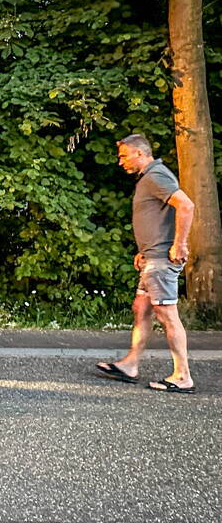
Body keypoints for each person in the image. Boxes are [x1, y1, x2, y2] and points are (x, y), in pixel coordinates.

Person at [96, 134, 196, 393]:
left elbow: (186, 205)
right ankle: (130, 364)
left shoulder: (156, 175)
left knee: (166, 314)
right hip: (152, 258)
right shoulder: (149, 178)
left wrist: (180, 245)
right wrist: (144, 251)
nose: (121, 162)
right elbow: (159, 218)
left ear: (140, 154)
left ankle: (182, 375)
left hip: (162, 260)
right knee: (141, 308)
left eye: (123, 156)